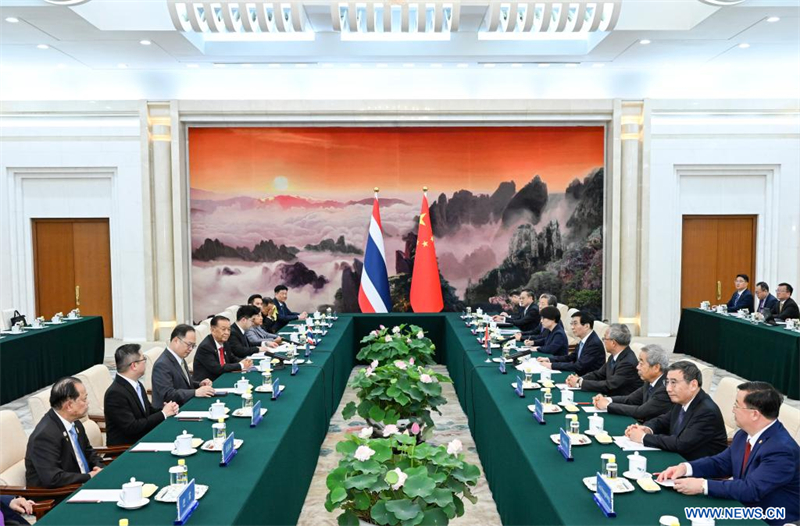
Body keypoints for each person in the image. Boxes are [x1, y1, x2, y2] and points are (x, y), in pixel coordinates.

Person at [657, 382, 799, 525]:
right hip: (741, 505)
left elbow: (752, 489)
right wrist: (685, 468)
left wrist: (702, 485)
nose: (733, 410)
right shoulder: (743, 434)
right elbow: (721, 463)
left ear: (754, 414)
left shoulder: (781, 450)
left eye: (737, 405)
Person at [625, 361, 727, 461]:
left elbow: (681, 444)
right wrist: (646, 429)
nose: (668, 389)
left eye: (674, 382)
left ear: (693, 385)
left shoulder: (706, 411)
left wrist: (643, 437)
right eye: (667, 382)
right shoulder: (682, 400)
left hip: (697, 466)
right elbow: (663, 421)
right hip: (679, 459)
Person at [25, 377, 104, 488]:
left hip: (85, 483)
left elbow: (88, 452)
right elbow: (53, 478)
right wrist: (88, 477)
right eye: (84, 399)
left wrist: (99, 468)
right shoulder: (44, 436)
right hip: (62, 493)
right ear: (69, 406)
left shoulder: (74, 422)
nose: (88, 402)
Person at [104, 344, 179, 446]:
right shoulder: (115, 394)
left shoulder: (137, 384)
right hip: (127, 448)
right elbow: (132, 427)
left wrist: (166, 409)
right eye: (143, 359)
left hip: (144, 439)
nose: (145, 363)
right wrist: (163, 414)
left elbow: (148, 411)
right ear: (134, 365)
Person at [593, 344, 673, 422]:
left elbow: (640, 412)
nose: (637, 367)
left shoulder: (666, 387)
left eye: (641, 364)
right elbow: (630, 399)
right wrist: (607, 399)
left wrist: (607, 405)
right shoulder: (650, 380)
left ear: (656, 368)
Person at [151, 324, 214, 410]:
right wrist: (195, 392)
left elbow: (181, 383)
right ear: (176, 340)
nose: (191, 349)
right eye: (189, 344)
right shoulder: (162, 364)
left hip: (184, 404)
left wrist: (199, 384)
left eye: (193, 346)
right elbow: (168, 394)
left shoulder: (180, 358)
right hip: (172, 411)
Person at [566, 324, 640, 396]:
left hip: (620, 401)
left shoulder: (627, 363)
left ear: (613, 343)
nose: (603, 341)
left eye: (605, 338)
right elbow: (599, 374)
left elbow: (609, 385)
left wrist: (580, 383)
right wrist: (579, 379)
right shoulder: (614, 356)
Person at [537, 311, 605, 375]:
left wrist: (552, 365)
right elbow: (570, 357)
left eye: (575, 324)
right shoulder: (585, 339)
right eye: (571, 324)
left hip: (588, 380)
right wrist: (549, 359)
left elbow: (579, 366)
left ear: (586, 326)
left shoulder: (594, 344)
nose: (572, 327)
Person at [192, 316, 253, 383]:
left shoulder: (224, 342)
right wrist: (241, 365)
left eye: (229, 329)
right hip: (209, 383)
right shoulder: (206, 347)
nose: (227, 333)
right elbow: (217, 368)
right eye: (223, 329)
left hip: (223, 377)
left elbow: (231, 358)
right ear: (213, 330)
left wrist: (245, 361)